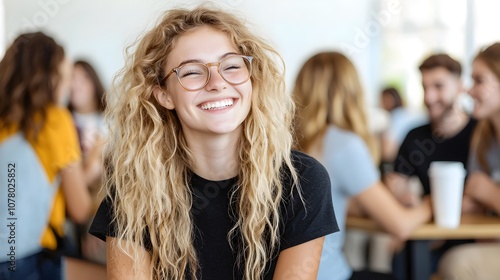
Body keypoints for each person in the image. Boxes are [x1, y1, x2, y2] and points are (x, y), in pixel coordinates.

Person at [88, 6, 338, 280]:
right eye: (192, 72)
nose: (217, 83)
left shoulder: (302, 181)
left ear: (252, 79)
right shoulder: (133, 187)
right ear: (163, 95)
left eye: (231, 66)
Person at [292, 51, 432, 280]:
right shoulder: (342, 144)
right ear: (351, 92)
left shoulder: (286, 140)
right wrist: (433, 203)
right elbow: (401, 225)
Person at [0, 32, 92, 279]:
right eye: (65, 75)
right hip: (27, 260)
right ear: (51, 76)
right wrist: (94, 165)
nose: (69, 85)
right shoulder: (54, 119)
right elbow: (80, 210)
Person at [438, 42, 500, 280]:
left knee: (458, 264)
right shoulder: (483, 137)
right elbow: (473, 201)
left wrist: (488, 193)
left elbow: (479, 191)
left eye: (479, 80)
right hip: (488, 240)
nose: (469, 90)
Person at [388, 54, 476, 200]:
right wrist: (400, 193)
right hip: (430, 221)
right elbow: (396, 182)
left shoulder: (481, 133)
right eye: (424, 87)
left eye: (438, 86)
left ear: (460, 87)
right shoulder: (415, 137)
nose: (428, 97)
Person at [68, 60, 107, 264]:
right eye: (71, 77)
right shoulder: (62, 123)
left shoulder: (112, 121)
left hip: (101, 205)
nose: (76, 84)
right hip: (73, 205)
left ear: (94, 82)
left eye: (82, 77)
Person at [379, 87, 427, 167]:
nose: (381, 103)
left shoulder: (397, 116)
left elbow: (387, 154)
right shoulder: (406, 113)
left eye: (383, 99)